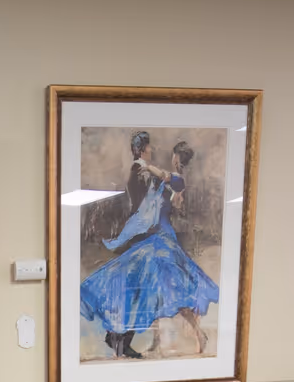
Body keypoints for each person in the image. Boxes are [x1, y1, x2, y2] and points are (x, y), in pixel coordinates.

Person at [79, 136, 219, 358]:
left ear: (177, 158)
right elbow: (154, 205)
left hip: (164, 241)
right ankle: (158, 340)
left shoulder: (175, 179)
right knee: (155, 288)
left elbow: (172, 184)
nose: (155, 150)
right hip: (157, 239)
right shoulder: (159, 182)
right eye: (149, 147)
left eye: (173, 155)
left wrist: (146, 166)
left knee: (173, 291)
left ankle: (198, 334)